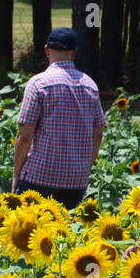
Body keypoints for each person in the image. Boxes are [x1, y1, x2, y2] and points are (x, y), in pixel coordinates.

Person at [11, 27, 106, 209]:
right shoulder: (90, 86)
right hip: (75, 181)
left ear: (47, 50)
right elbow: (98, 135)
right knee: (67, 235)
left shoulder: (38, 84)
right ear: (74, 52)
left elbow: (24, 136)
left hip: (39, 178)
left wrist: (16, 173)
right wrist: (84, 169)